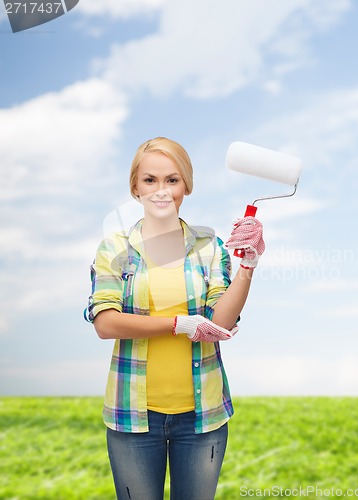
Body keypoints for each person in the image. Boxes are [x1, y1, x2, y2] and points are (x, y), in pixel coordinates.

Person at [84, 137, 265, 500]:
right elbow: (105, 322)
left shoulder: (208, 247)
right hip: (132, 418)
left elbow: (222, 322)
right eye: (150, 180)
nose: (161, 191)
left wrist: (248, 264)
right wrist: (179, 324)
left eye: (172, 180)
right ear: (135, 186)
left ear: (187, 186)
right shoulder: (115, 249)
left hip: (203, 420)